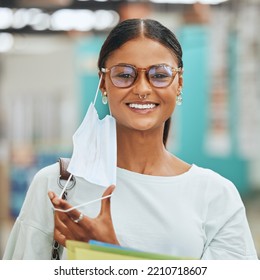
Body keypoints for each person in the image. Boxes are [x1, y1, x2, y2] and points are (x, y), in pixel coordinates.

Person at [3, 18, 258, 260]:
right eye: (124, 74)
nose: (143, 89)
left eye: (159, 74)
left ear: (178, 83)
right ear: (103, 83)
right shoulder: (57, 185)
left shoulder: (216, 195)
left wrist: (108, 253)